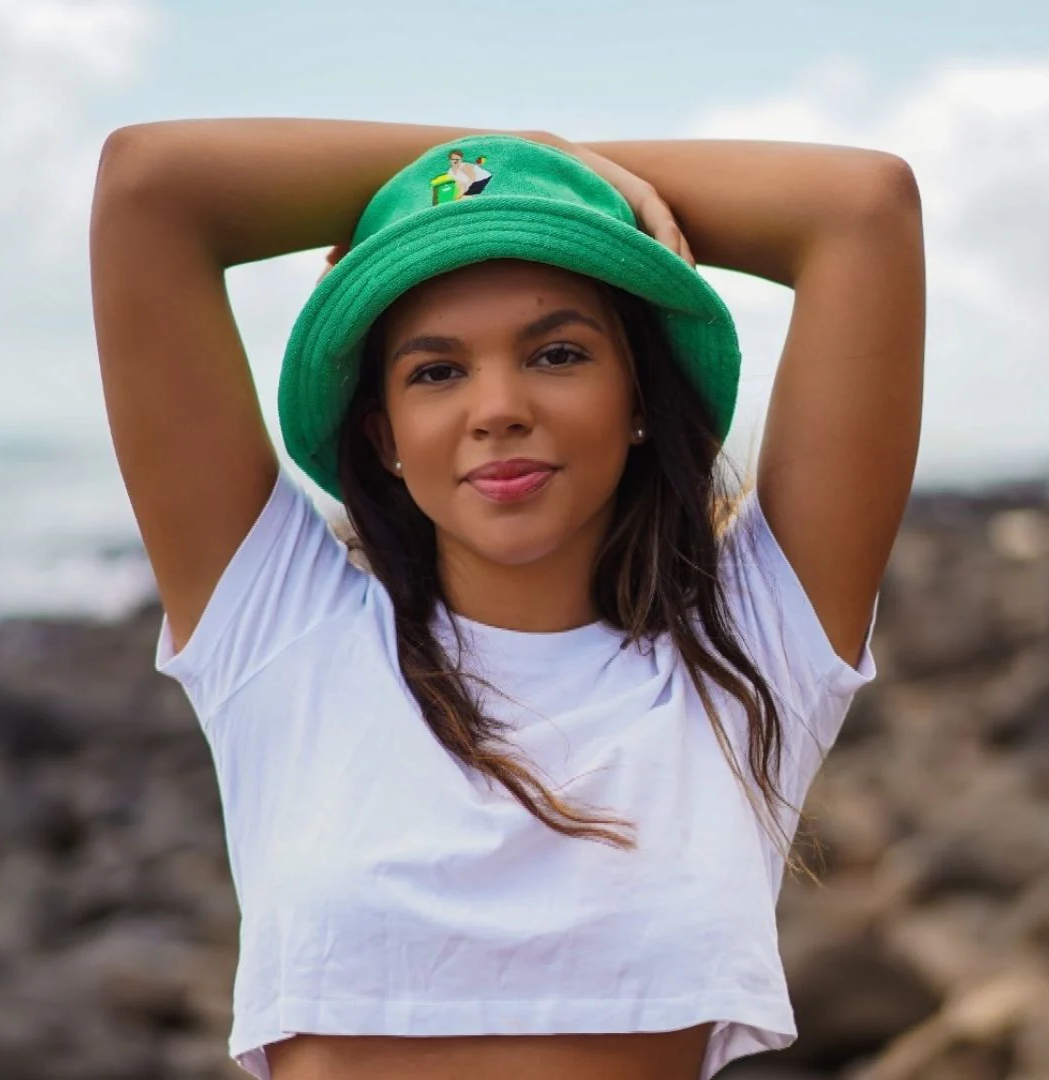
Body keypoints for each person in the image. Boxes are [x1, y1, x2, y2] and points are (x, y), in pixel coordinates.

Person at [89, 119, 925, 1080]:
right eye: (437, 372)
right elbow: (148, 189)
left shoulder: (749, 648)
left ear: (640, 398)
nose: (496, 408)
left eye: (557, 354)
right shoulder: (284, 639)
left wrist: (535, 173)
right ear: (384, 434)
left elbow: (862, 210)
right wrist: (507, 151)